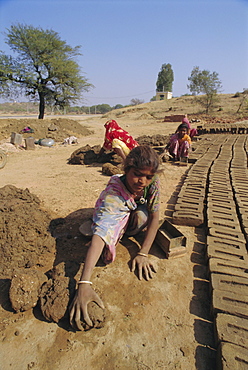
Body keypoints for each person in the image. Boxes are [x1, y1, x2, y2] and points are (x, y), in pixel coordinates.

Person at [69, 145, 160, 330]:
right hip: (114, 206)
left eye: (148, 177)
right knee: (104, 228)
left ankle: (123, 223)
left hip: (135, 207)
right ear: (126, 169)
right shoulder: (114, 193)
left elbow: (154, 217)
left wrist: (143, 253)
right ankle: (110, 220)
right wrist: (84, 282)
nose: (142, 181)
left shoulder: (153, 182)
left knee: (142, 217)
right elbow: (102, 231)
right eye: (137, 174)